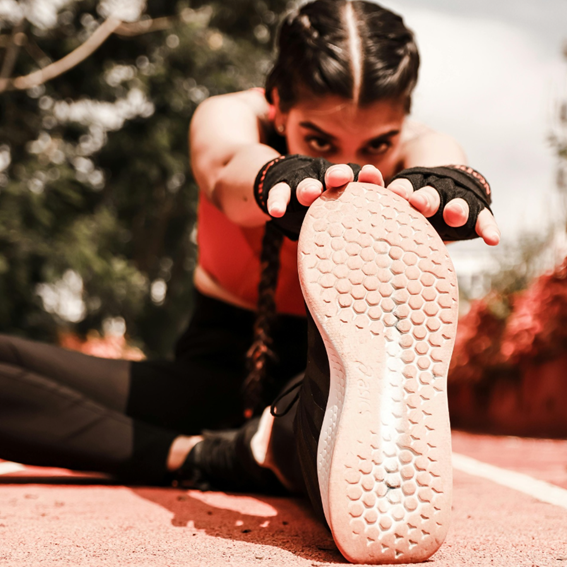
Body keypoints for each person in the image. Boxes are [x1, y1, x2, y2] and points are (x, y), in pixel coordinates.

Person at [0, 0, 499, 563]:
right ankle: (199, 454)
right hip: (211, 376)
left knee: (317, 417)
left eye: (377, 145)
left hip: (324, 382)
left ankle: (278, 445)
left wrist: (453, 180)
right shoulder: (230, 116)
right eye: (319, 141)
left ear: (402, 122)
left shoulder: (414, 144)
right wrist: (274, 177)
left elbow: (441, 155)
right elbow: (226, 166)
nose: (350, 165)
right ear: (277, 104)